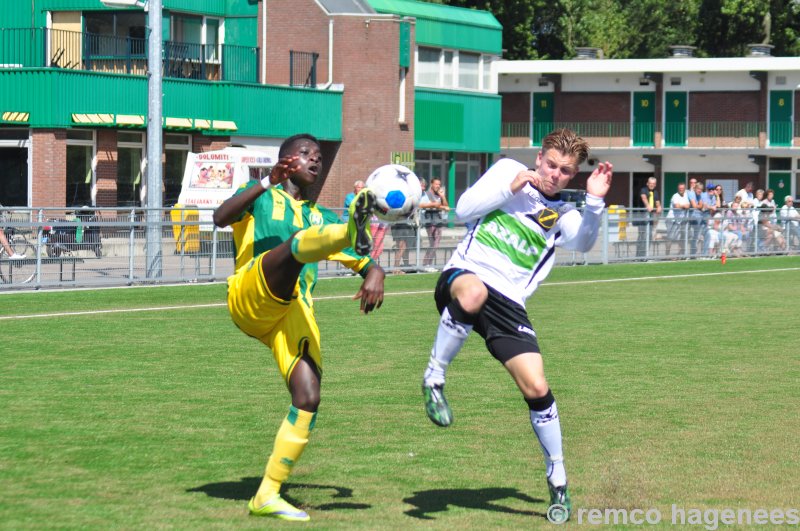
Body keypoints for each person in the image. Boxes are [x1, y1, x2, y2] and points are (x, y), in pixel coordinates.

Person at [420, 128, 613, 522]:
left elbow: (583, 243)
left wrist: (594, 202)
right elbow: (463, 209)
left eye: (566, 171)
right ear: (539, 157)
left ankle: (558, 479)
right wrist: (513, 184)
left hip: (509, 301)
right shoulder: (509, 169)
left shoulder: (565, 214)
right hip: (466, 274)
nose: (556, 174)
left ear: (572, 175)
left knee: (537, 387)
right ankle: (434, 378)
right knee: (473, 295)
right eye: (551, 165)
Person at [213, 134, 386, 522]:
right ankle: (353, 228)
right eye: (306, 154)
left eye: (320, 158)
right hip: (250, 293)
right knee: (294, 245)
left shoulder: (319, 216)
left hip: (294, 312)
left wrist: (375, 269)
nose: (315, 161)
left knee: (308, 396)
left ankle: (267, 494)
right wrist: (267, 180)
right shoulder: (261, 194)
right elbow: (220, 218)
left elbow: (360, 261)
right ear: (285, 159)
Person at [419, 177, 450, 269]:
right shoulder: (425, 194)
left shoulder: (439, 195)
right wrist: (437, 206)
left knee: (436, 244)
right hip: (430, 221)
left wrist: (443, 196)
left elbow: (446, 206)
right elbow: (421, 205)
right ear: (432, 184)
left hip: (438, 221)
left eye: (439, 184)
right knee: (433, 243)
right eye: (436, 184)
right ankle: (426, 264)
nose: (438, 186)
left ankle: (428, 263)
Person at [634, 177, 662, 257]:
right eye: (650, 183)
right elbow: (644, 198)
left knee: (649, 235)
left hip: (650, 218)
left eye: (653, 184)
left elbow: (657, 202)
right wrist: (647, 205)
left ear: (655, 184)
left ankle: (646, 254)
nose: (652, 185)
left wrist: (659, 206)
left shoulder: (655, 192)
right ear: (647, 183)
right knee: (642, 235)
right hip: (642, 217)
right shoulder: (644, 190)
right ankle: (639, 255)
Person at [666, 182, 690, 255]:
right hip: (671, 219)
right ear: (678, 189)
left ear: (684, 189)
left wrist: (682, 206)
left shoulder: (686, 195)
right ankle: (667, 255)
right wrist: (684, 206)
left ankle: (680, 254)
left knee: (681, 238)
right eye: (680, 188)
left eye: (682, 188)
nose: (681, 190)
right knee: (670, 238)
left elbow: (688, 206)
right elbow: (676, 206)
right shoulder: (675, 196)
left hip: (681, 220)